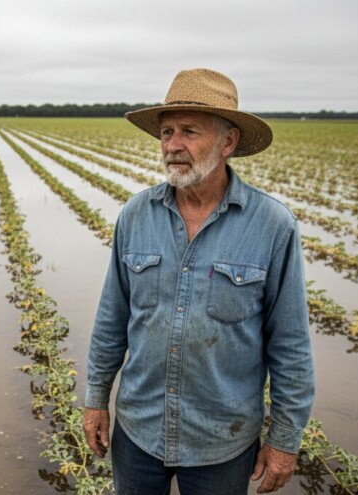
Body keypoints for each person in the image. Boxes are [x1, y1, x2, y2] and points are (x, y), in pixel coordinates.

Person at [83, 68, 315, 495]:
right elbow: (111, 320)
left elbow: (290, 344)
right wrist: (96, 398)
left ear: (227, 142)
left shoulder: (272, 226)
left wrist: (284, 439)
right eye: (167, 131)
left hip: (221, 443)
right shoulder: (135, 216)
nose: (172, 145)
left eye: (189, 131)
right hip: (139, 432)